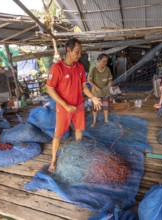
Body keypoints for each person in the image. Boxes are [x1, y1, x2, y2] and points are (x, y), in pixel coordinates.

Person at [46, 38, 102, 172]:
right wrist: (65, 105)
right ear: (68, 51)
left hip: (79, 106)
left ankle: (77, 154)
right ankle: (53, 161)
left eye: (80, 52)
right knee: (58, 135)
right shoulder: (57, 68)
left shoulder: (80, 67)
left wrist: (93, 97)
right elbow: (49, 89)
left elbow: (84, 87)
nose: (79, 55)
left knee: (79, 130)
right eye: (77, 52)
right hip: (63, 108)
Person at [88, 53, 113, 127]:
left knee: (105, 106)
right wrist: (96, 87)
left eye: (106, 61)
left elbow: (110, 79)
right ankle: (94, 121)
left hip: (105, 91)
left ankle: (106, 119)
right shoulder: (94, 69)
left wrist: (109, 84)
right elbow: (89, 80)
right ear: (99, 60)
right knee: (95, 107)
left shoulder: (107, 69)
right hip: (96, 93)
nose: (105, 63)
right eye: (103, 61)